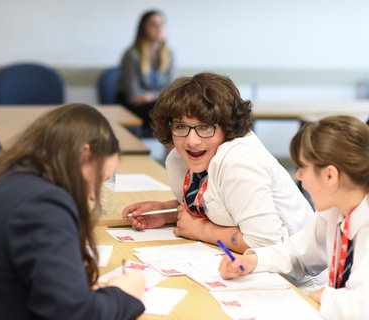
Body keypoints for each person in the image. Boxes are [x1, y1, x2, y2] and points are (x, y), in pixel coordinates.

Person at [0, 103, 145, 320]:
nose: (94, 197)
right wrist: (123, 293)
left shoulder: (6, 177)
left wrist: (73, 289)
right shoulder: (43, 204)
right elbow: (75, 314)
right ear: (84, 154)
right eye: (100, 179)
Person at [122, 72, 314, 254]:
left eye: (205, 127)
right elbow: (218, 203)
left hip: (297, 281)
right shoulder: (179, 158)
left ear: (227, 128)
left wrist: (201, 231)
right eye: (180, 126)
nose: (192, 141)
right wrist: (166, 212)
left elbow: (266, 243)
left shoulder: (239, 162)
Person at [219, 115, 369, 319]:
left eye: (303, 168)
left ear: (330, 176)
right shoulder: (335, 211)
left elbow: (361, 308)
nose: (298, 176)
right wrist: (254, 260)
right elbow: (298, 253)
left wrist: (326, 296)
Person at [117, 10, 174, 134]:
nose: (159, 28)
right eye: (153, 24)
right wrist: (159, 95)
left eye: (161, 24)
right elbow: (133, 96)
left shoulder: (168, 54)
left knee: (174, 113)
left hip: (156, 104)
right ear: (143, 29)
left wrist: (151, 96)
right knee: (167, 115)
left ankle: (171, 153)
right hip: (132, 107)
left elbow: (170, 90)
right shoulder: (132, 55)